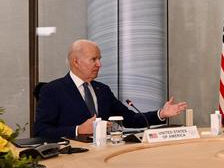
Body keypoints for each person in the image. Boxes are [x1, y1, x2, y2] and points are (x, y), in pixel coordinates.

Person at [34, 39, 187, 139]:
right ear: (76, 62)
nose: (99, 64)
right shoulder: (53, 90)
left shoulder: (102, 90)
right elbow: (41, 131)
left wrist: (161, 113)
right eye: (93, 59)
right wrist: (77, 130)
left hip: (104, 155)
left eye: (99, 59)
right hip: (71, 159)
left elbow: (129, 118)